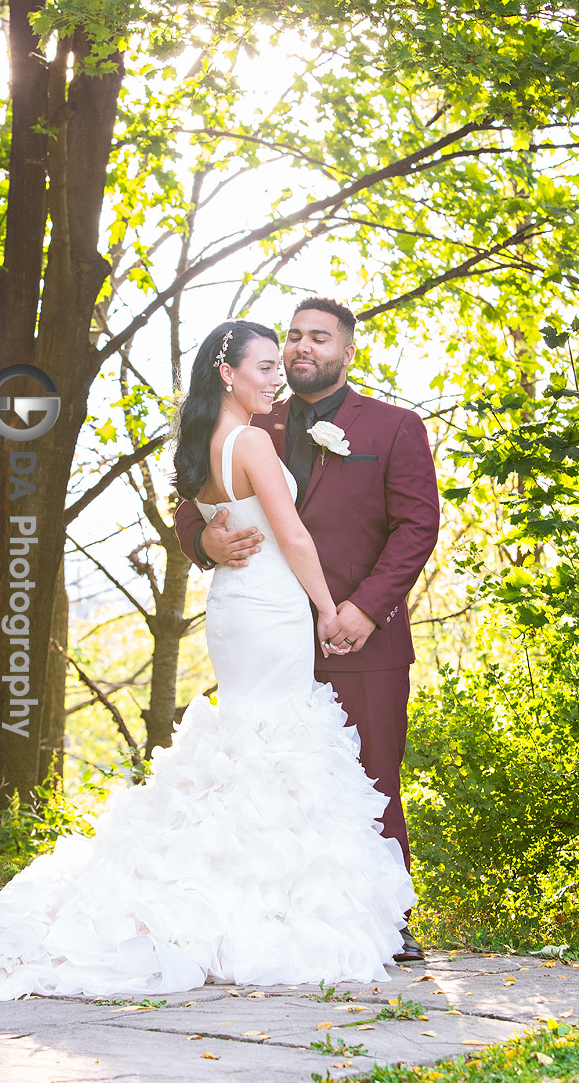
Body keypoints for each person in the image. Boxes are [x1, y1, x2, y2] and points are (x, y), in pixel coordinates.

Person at [0, 319, 414, 1002]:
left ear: (346, 350)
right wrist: (299, 590)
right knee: (273, 746)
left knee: (284, 752)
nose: (286, 364)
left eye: (301, 348)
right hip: (272, 610)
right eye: (274, 353)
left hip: (268, 615)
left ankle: (284, 904)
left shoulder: (287, 433)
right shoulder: (258, 432)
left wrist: (340, 602)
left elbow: (403, 524)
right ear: (228, 372)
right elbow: (260, 525)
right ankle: (268, 911)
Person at [174, 299, 440, 962]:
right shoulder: (249, 420)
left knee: (368, 777)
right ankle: (270, 919)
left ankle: (385, 920)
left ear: (347, 352)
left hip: (360, 635)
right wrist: (206, 539)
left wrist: (361, 608)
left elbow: (417, 526)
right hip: (271, 630)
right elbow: (193, 508)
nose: (300, 347)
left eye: (318, 337)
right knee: (271, 772)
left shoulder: (393, 426)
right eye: (292, 335)